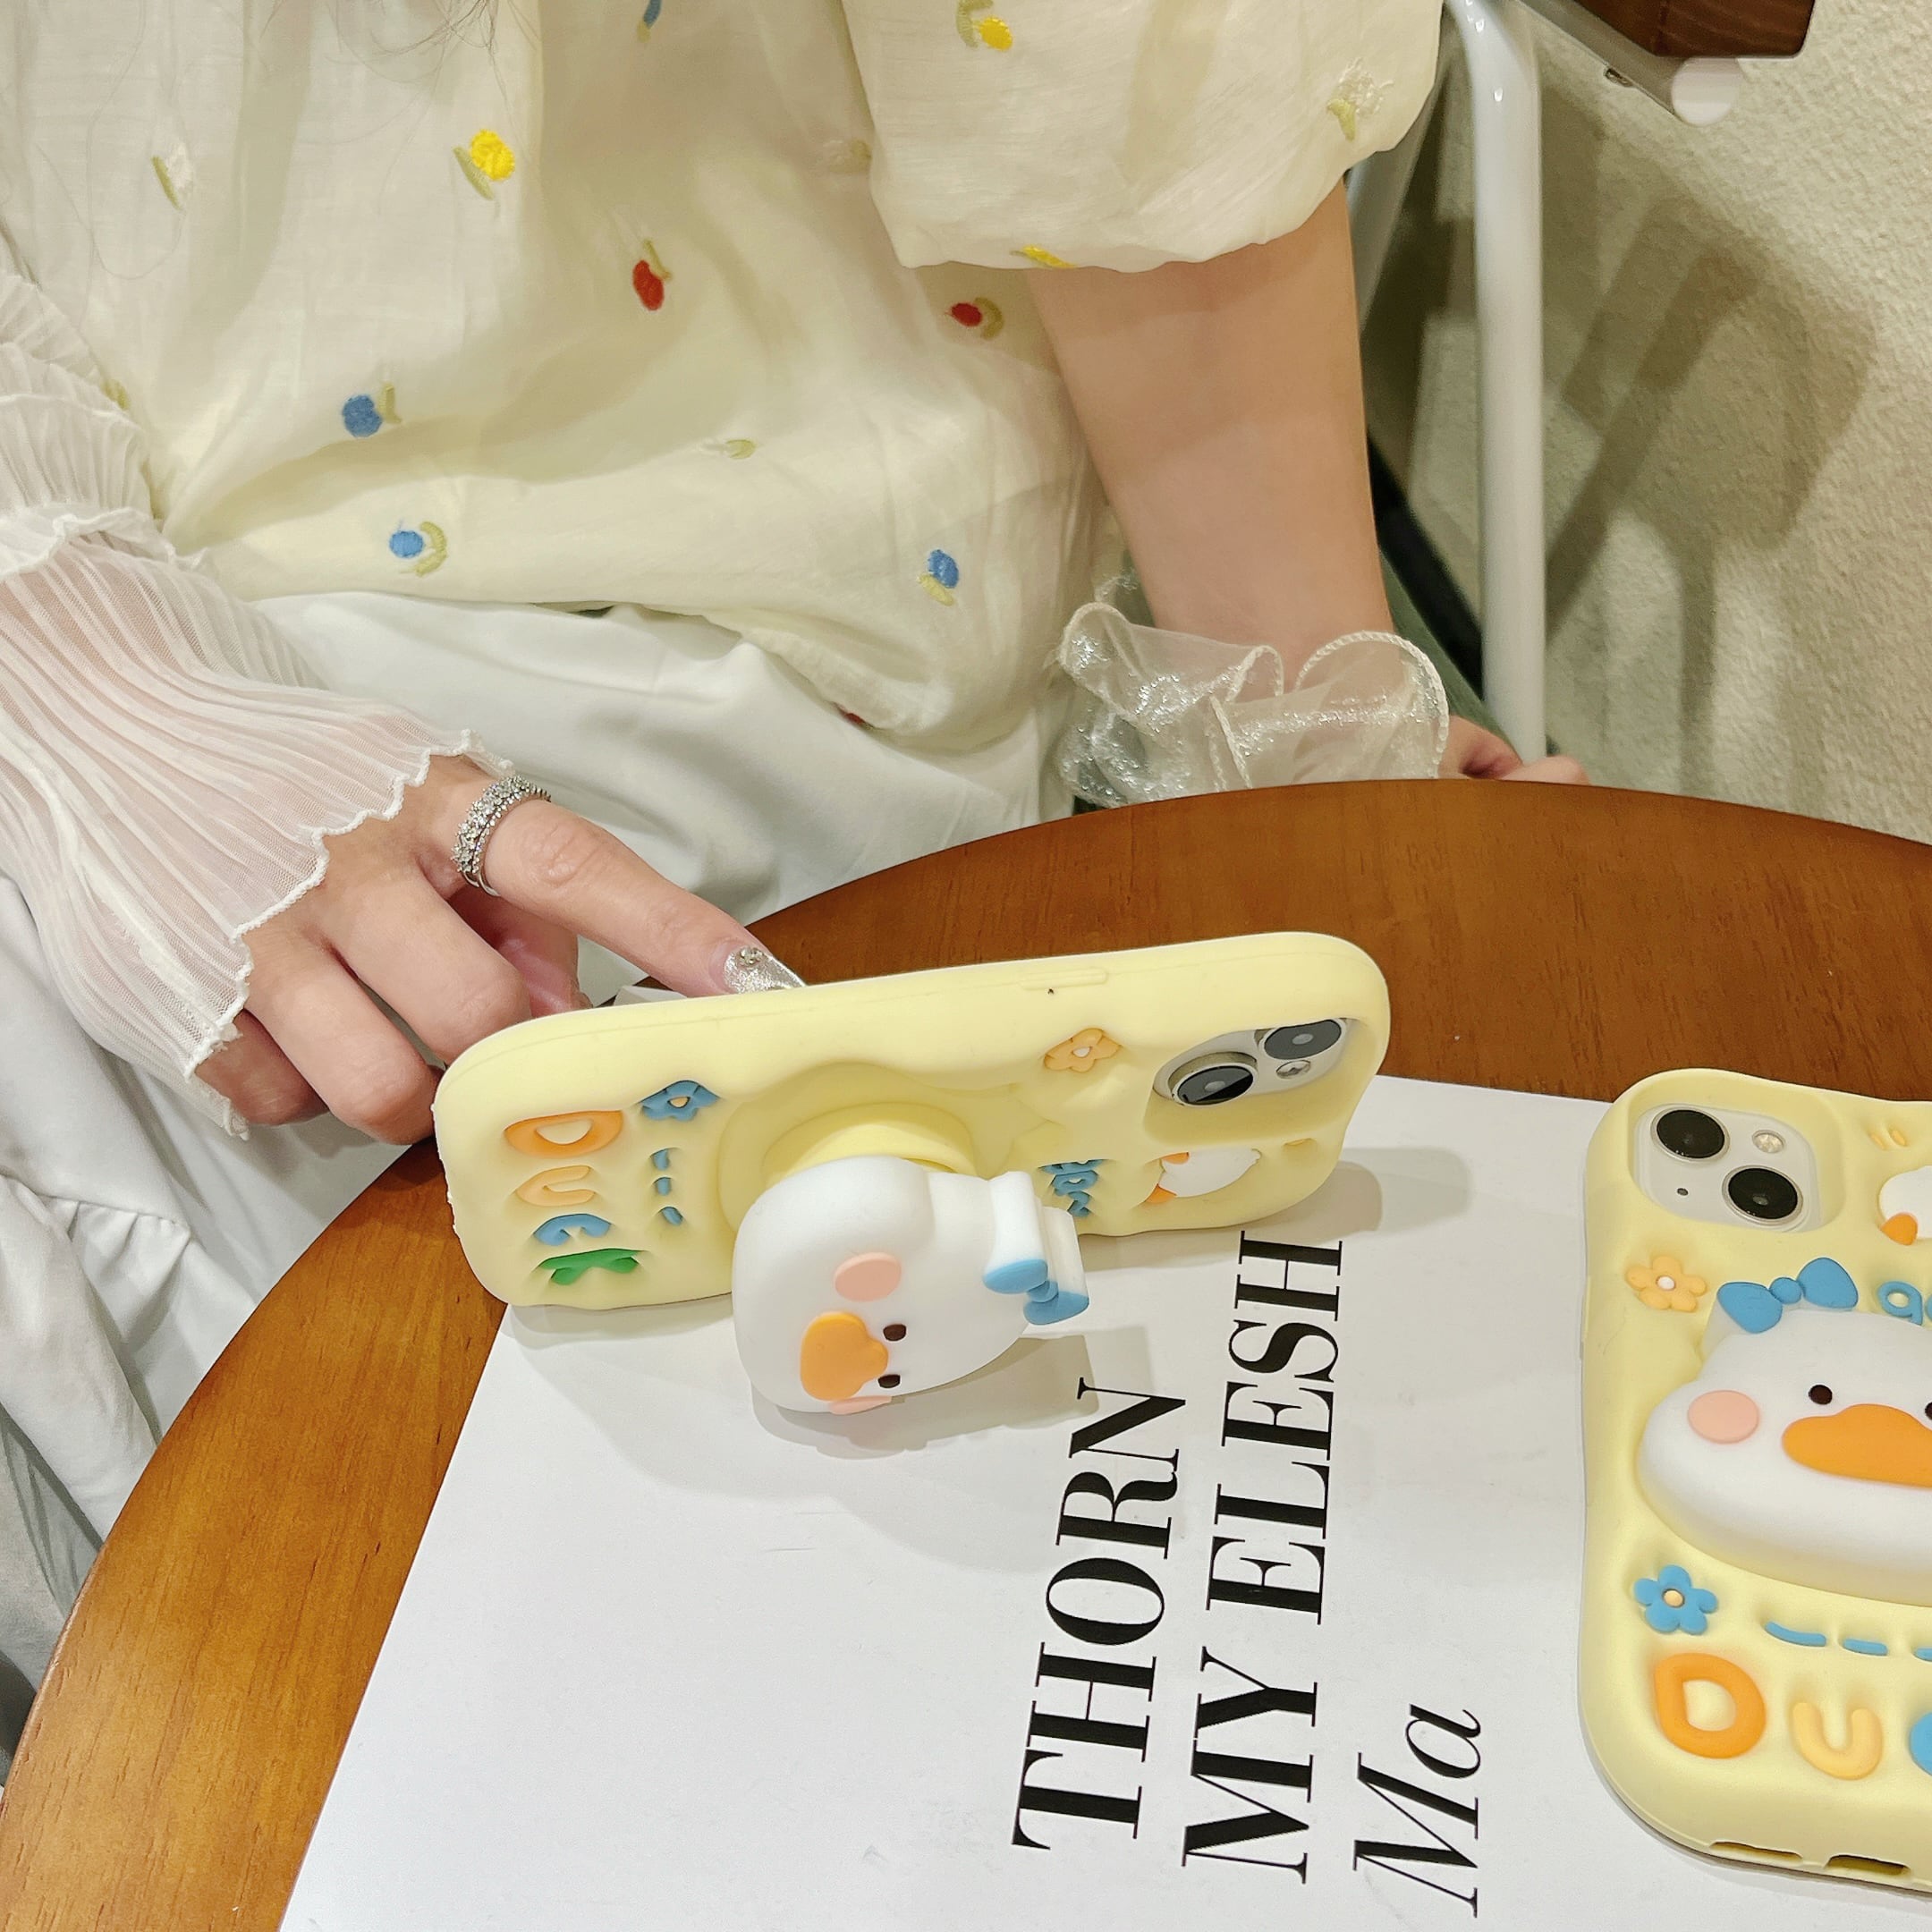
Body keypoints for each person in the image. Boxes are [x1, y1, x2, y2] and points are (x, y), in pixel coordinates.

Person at [0, 0, 1580, 1757]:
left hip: (784, 661)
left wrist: (1308, 752)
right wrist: (78, 669)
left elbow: (1130, 100)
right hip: (131, 566)